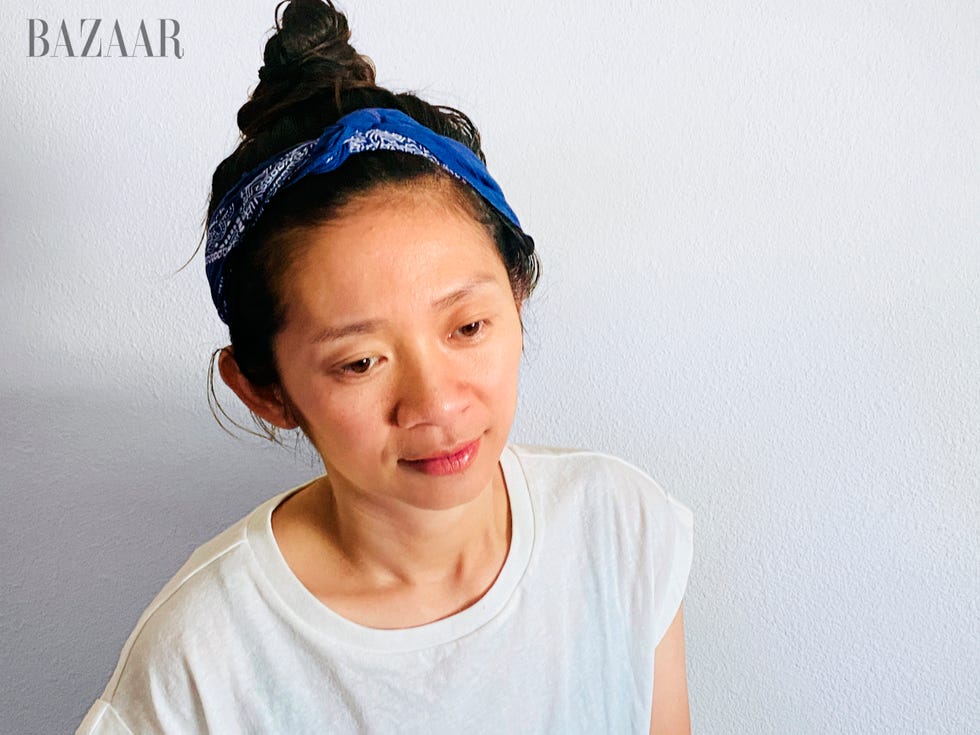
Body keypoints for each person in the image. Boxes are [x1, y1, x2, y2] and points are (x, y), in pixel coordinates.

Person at [77, 1, 693, 732]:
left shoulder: (618, 528)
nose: (434, 402)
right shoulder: (201, 666)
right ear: (264, 390)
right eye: (361, 361)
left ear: (517, 296)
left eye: (467, 325)